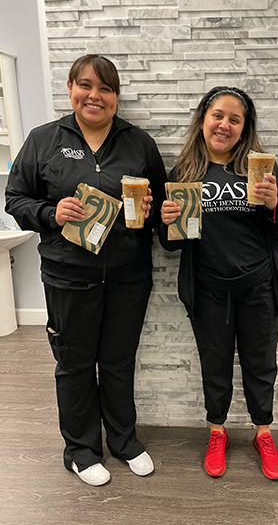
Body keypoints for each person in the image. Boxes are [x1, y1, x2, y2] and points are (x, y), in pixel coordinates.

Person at [5, 55, 167, 486]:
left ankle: (123, 441)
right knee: (75, 363)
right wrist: (50, 212)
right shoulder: (44, 140)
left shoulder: (139, 144)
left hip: (128, 277)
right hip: (67, 275)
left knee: (118, 361)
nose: (95, 95)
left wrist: (154, 212)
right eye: (85, 85)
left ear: (116, 97)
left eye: (106, 88)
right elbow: (14, 200)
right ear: (71, 89)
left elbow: (159, 213)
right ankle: (80, 449)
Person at [159, 86, 278, 480]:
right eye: (218, 115)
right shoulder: (185, 173)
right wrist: (168, 223)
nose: (225, 125)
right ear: (204, 118)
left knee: (260, 364)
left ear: (244, 127)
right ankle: (217, 431)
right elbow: (170, 245)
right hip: (208, 291)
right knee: (215, 365)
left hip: (259, 288)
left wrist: (275, 204)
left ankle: (263, 433)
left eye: (234, 119)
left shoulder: (259, 168)